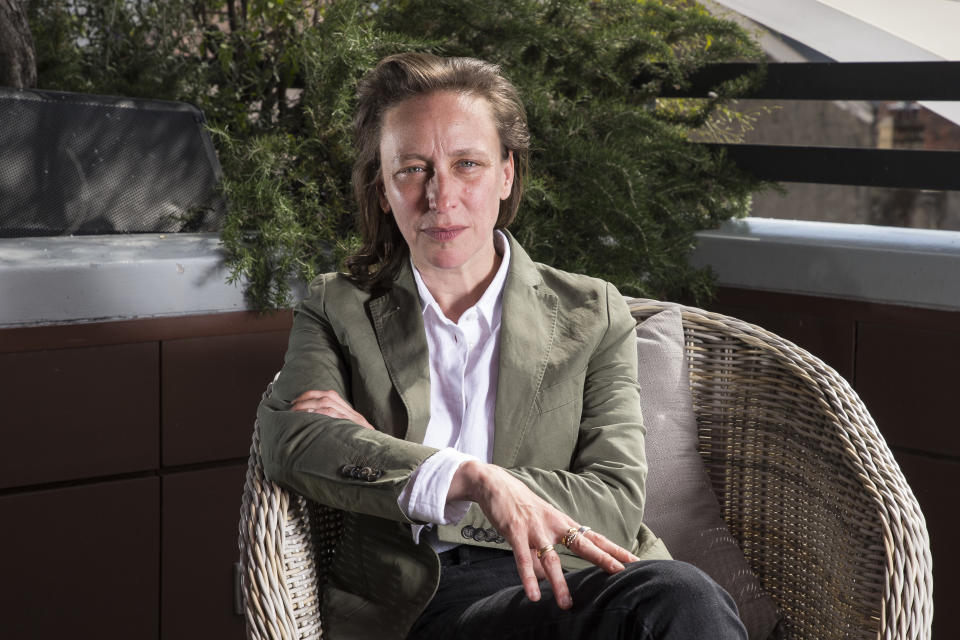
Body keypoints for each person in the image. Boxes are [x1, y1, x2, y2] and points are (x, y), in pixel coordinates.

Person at [258, 52, 746, 640]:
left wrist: (409, 464)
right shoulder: (338, 305)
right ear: (383, 188)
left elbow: (614, 503)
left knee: (679, 598)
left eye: (467, 164)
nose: (441, 197)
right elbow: (292, 439)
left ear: (507, 174)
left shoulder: (592, 312)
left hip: (576, 579)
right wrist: (471, 479)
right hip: (427, 596)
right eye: (413, 169)